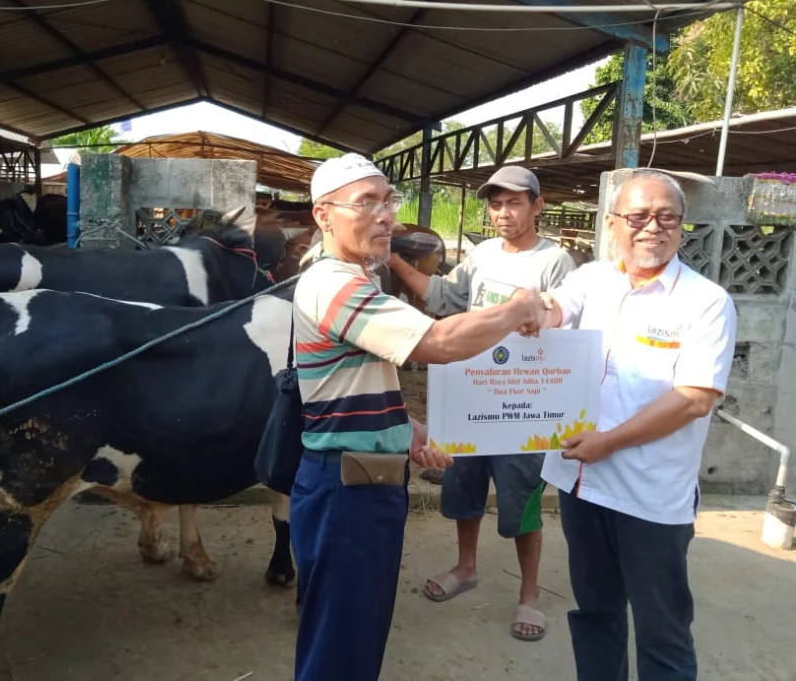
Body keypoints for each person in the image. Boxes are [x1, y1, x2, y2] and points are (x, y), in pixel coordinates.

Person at [290, 153, 548, 681]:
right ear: (323, 215)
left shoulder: (354, 277)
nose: (386, 215)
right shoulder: (335, 283)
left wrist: (412, 433)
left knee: (356, 632)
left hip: (362, 479)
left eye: (389, 201)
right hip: (348, 489)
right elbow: (439, 341)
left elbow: (359, 387)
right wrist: (518, 310)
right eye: (366, 203)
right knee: (341, 641)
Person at [536, 169, 737, 681]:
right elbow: (556, 308)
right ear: (612, 224)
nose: (653, 227)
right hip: (581, 485)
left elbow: (694, 399)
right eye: (639, 215)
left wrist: (608, 442)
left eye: (667, 216)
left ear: (681, 225)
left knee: (662, 628)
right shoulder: (591, 279)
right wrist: (530, 312)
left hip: (650, 497)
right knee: (595, 612)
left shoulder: (706, 302)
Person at [388, 165, 576, 641]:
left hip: (524, 407)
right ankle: (466, 567)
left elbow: (567, 332)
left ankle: (529, 595)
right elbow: (447, 299)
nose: (503, 213)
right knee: (464, 489)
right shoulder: (482, 255)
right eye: (495, 204)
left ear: (537, 206)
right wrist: (394, 263)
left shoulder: (556, 263)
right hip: (472, 397)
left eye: (514, 202)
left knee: (523, 502)